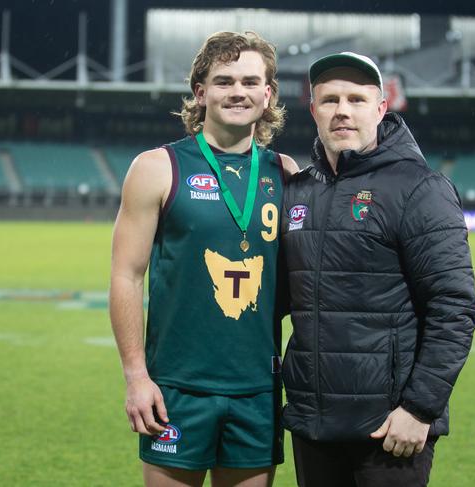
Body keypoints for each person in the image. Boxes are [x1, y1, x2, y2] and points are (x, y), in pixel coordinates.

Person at [280, 52, 475, 487]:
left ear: (381, 108)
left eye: (356, 99)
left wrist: (419, 410)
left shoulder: (420, 188)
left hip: (391, 428)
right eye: (329, 100)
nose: (343, 110)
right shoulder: (298, 191)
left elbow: (454, 308)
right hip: (315, 424)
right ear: (313, 110)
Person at [109, 31, 298, 487]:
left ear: (268, 93)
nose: (238, 92)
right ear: (201, 92)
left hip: (257, 388)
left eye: (251, 82)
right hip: (176, 387)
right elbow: (126, 276)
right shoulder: (156, 167)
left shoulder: (288, 174)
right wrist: (136, 376)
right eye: (224, 81)